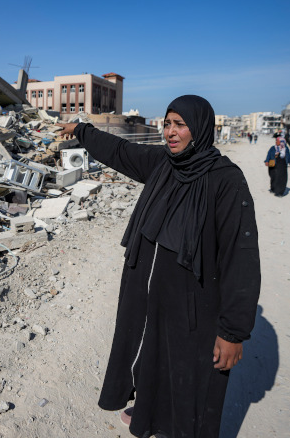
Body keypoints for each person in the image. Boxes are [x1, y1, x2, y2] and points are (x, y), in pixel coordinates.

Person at [57, 95, 261, 438]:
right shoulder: (163, 164)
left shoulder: (225, 180)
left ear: (199, 129)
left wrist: (233, 332)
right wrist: (82, 130)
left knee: (190, 371)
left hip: (195, 299)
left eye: (180, 124)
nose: (170, 132)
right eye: (166, 123)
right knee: (153, 354)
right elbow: (120, 152)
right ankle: (150, 412)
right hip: (152, 290)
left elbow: (241, 258)